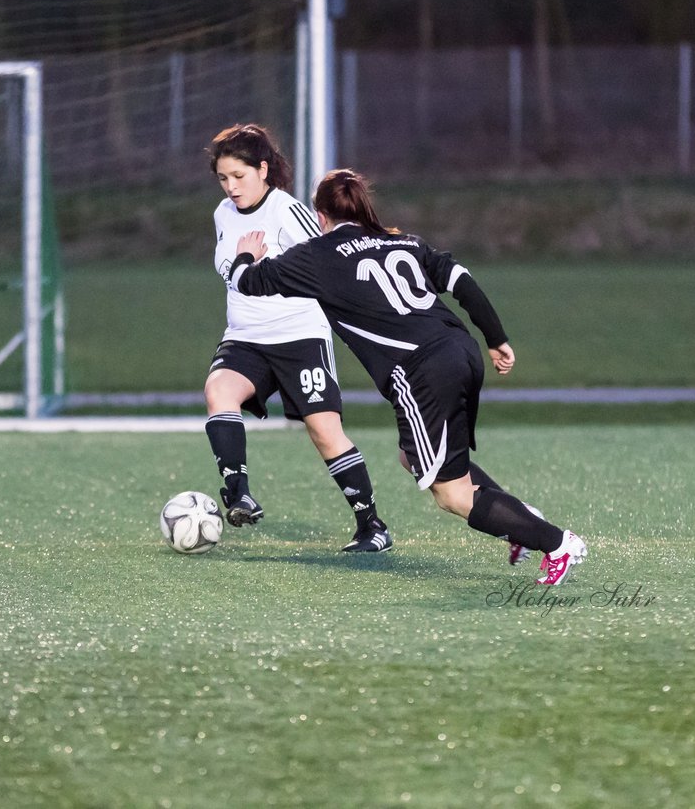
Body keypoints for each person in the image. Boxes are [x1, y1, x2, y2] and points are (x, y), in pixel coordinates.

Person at [228, 168, 587, 585]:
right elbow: (461, 279)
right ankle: (521, 521)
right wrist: (496, 338)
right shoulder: (403, 241)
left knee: (451, 494)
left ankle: (557, 542)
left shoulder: (318, 255)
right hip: (461, 350)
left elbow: (245, 283)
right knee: (413, 456)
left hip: (421, 371)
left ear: (321, 214)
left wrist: (246, 253)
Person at [203, 124, 392, 552]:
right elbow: (226, 267)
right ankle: (238, 494)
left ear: (263, 169)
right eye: (223, 178)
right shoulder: (222, 214)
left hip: (299, 335)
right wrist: (243, 262)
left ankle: (372, 526)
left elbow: (329, 264)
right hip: (246, 336)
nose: (231, 187)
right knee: (219, 392)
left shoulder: (287, 211)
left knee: (324, 431)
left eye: (239, 176)